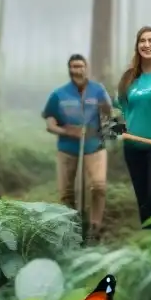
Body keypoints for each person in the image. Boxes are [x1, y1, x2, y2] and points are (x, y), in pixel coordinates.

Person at [41, 54, 112, 241]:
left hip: (94, 146)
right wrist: (65, 131)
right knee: (66, 192)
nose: (76, 70)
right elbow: (50, 123)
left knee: (98, 186)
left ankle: (95, 227)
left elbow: (109, 114)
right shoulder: (58, 94)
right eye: (73, 67)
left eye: (80, 66)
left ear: (86, 68)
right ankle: (70, 230)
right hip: (67, 149)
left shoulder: (98, 91)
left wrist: (106, 121)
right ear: (69, 69)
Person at [116, 26, 151, 230]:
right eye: (143, 41)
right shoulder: (129, 78)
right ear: (137, 46)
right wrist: (114, 132)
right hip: (133, 147)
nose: (147, 45)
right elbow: (119, 110)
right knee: (143, 200)